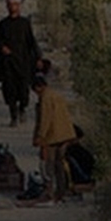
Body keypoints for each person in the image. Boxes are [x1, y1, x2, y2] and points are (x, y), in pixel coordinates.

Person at [0, 0, 41, 127]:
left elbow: (31, 42)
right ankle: (13, 116)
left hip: (23, 62)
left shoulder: (25, 23)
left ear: (19, 7)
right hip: (8, 63)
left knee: (23, 90)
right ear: (7, 7)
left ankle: (22, 109)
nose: (13, 7)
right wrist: (2, 47)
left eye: (15, 5)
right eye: (10, 5)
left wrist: (38, 58)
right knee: (10, 90)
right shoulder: (3, 24)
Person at [32, 74, 77, 203]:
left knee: (48, 165)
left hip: (52, 136)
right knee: (60, 165)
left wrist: (40, 137)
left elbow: (45, 119)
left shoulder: (45, 98)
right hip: (64, 134)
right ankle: (61, 192)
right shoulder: (56, 95)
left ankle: (49, 192)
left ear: (38, 87)